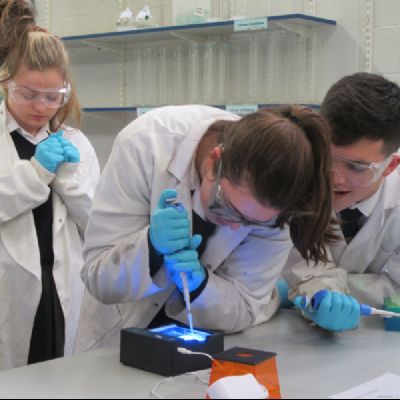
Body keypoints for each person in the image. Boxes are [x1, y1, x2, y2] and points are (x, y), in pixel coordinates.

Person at [75, 103, 336, 352]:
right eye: (226, 206)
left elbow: (246, 306)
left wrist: (201, 286)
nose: (234, 226)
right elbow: (98, 277)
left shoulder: (279, 204)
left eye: (252, 223)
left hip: (204, 348)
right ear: (214, 160)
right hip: (114, 339)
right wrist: (150, 248)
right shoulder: (146, 143)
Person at [0, 0, 100, 369]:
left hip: (62, 290)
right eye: (27, 94)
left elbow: (98, 225)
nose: (40, 106)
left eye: (52, 97)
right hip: (6, 289)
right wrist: (35, 174)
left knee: (57, 376)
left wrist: (72, 182)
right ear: (6, 83)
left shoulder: (75, 143)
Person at [284, 73, 400, 332]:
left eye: (356, 166)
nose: (334, 178)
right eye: (326, 158)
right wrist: (312, 286)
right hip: (295, 333)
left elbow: (398, 291)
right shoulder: (294, 182)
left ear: (390, 166)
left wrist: (313, 287)